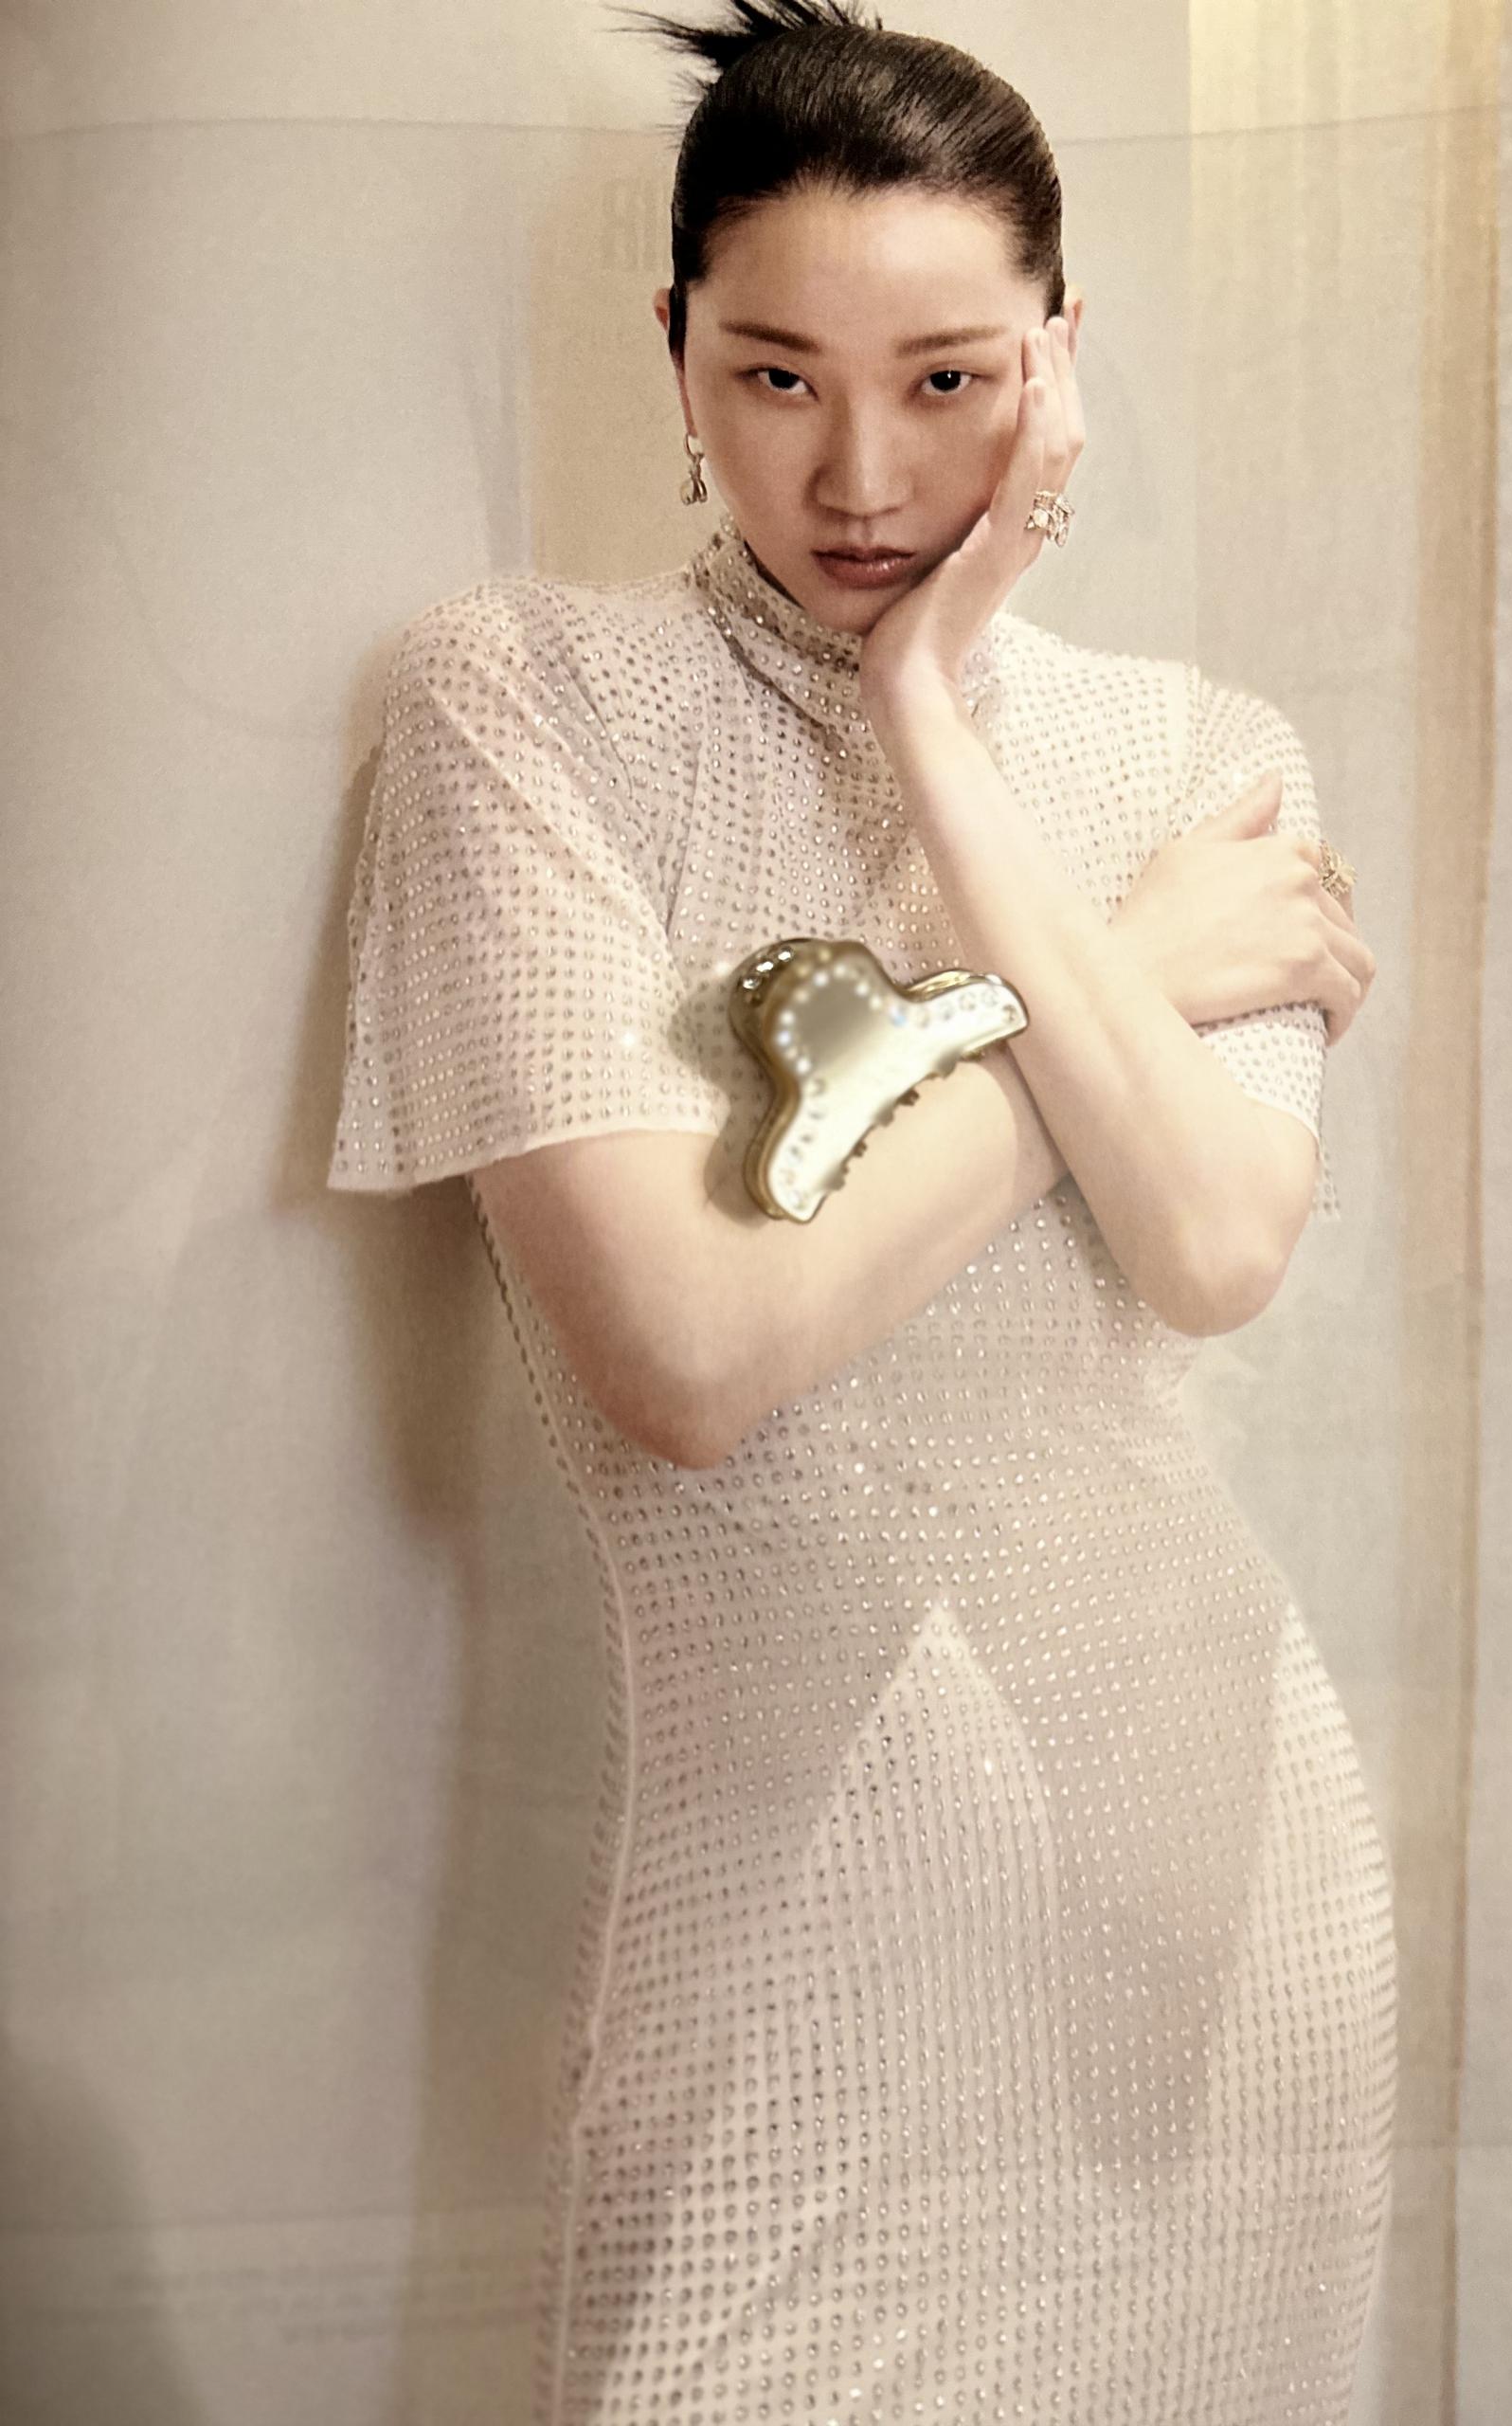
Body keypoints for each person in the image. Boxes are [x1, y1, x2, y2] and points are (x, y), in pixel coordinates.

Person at [326, 2, 1395, 2417]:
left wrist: (925, 702)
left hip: (1219, 1866)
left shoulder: (1204, 755)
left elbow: (1217, 1246)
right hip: (792, 1903)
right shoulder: (521, 698)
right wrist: (1107, 981)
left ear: (1062, 363)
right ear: (674, 349)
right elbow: (692, 1359)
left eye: (949, 381)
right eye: (777, 377)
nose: (862, 471)